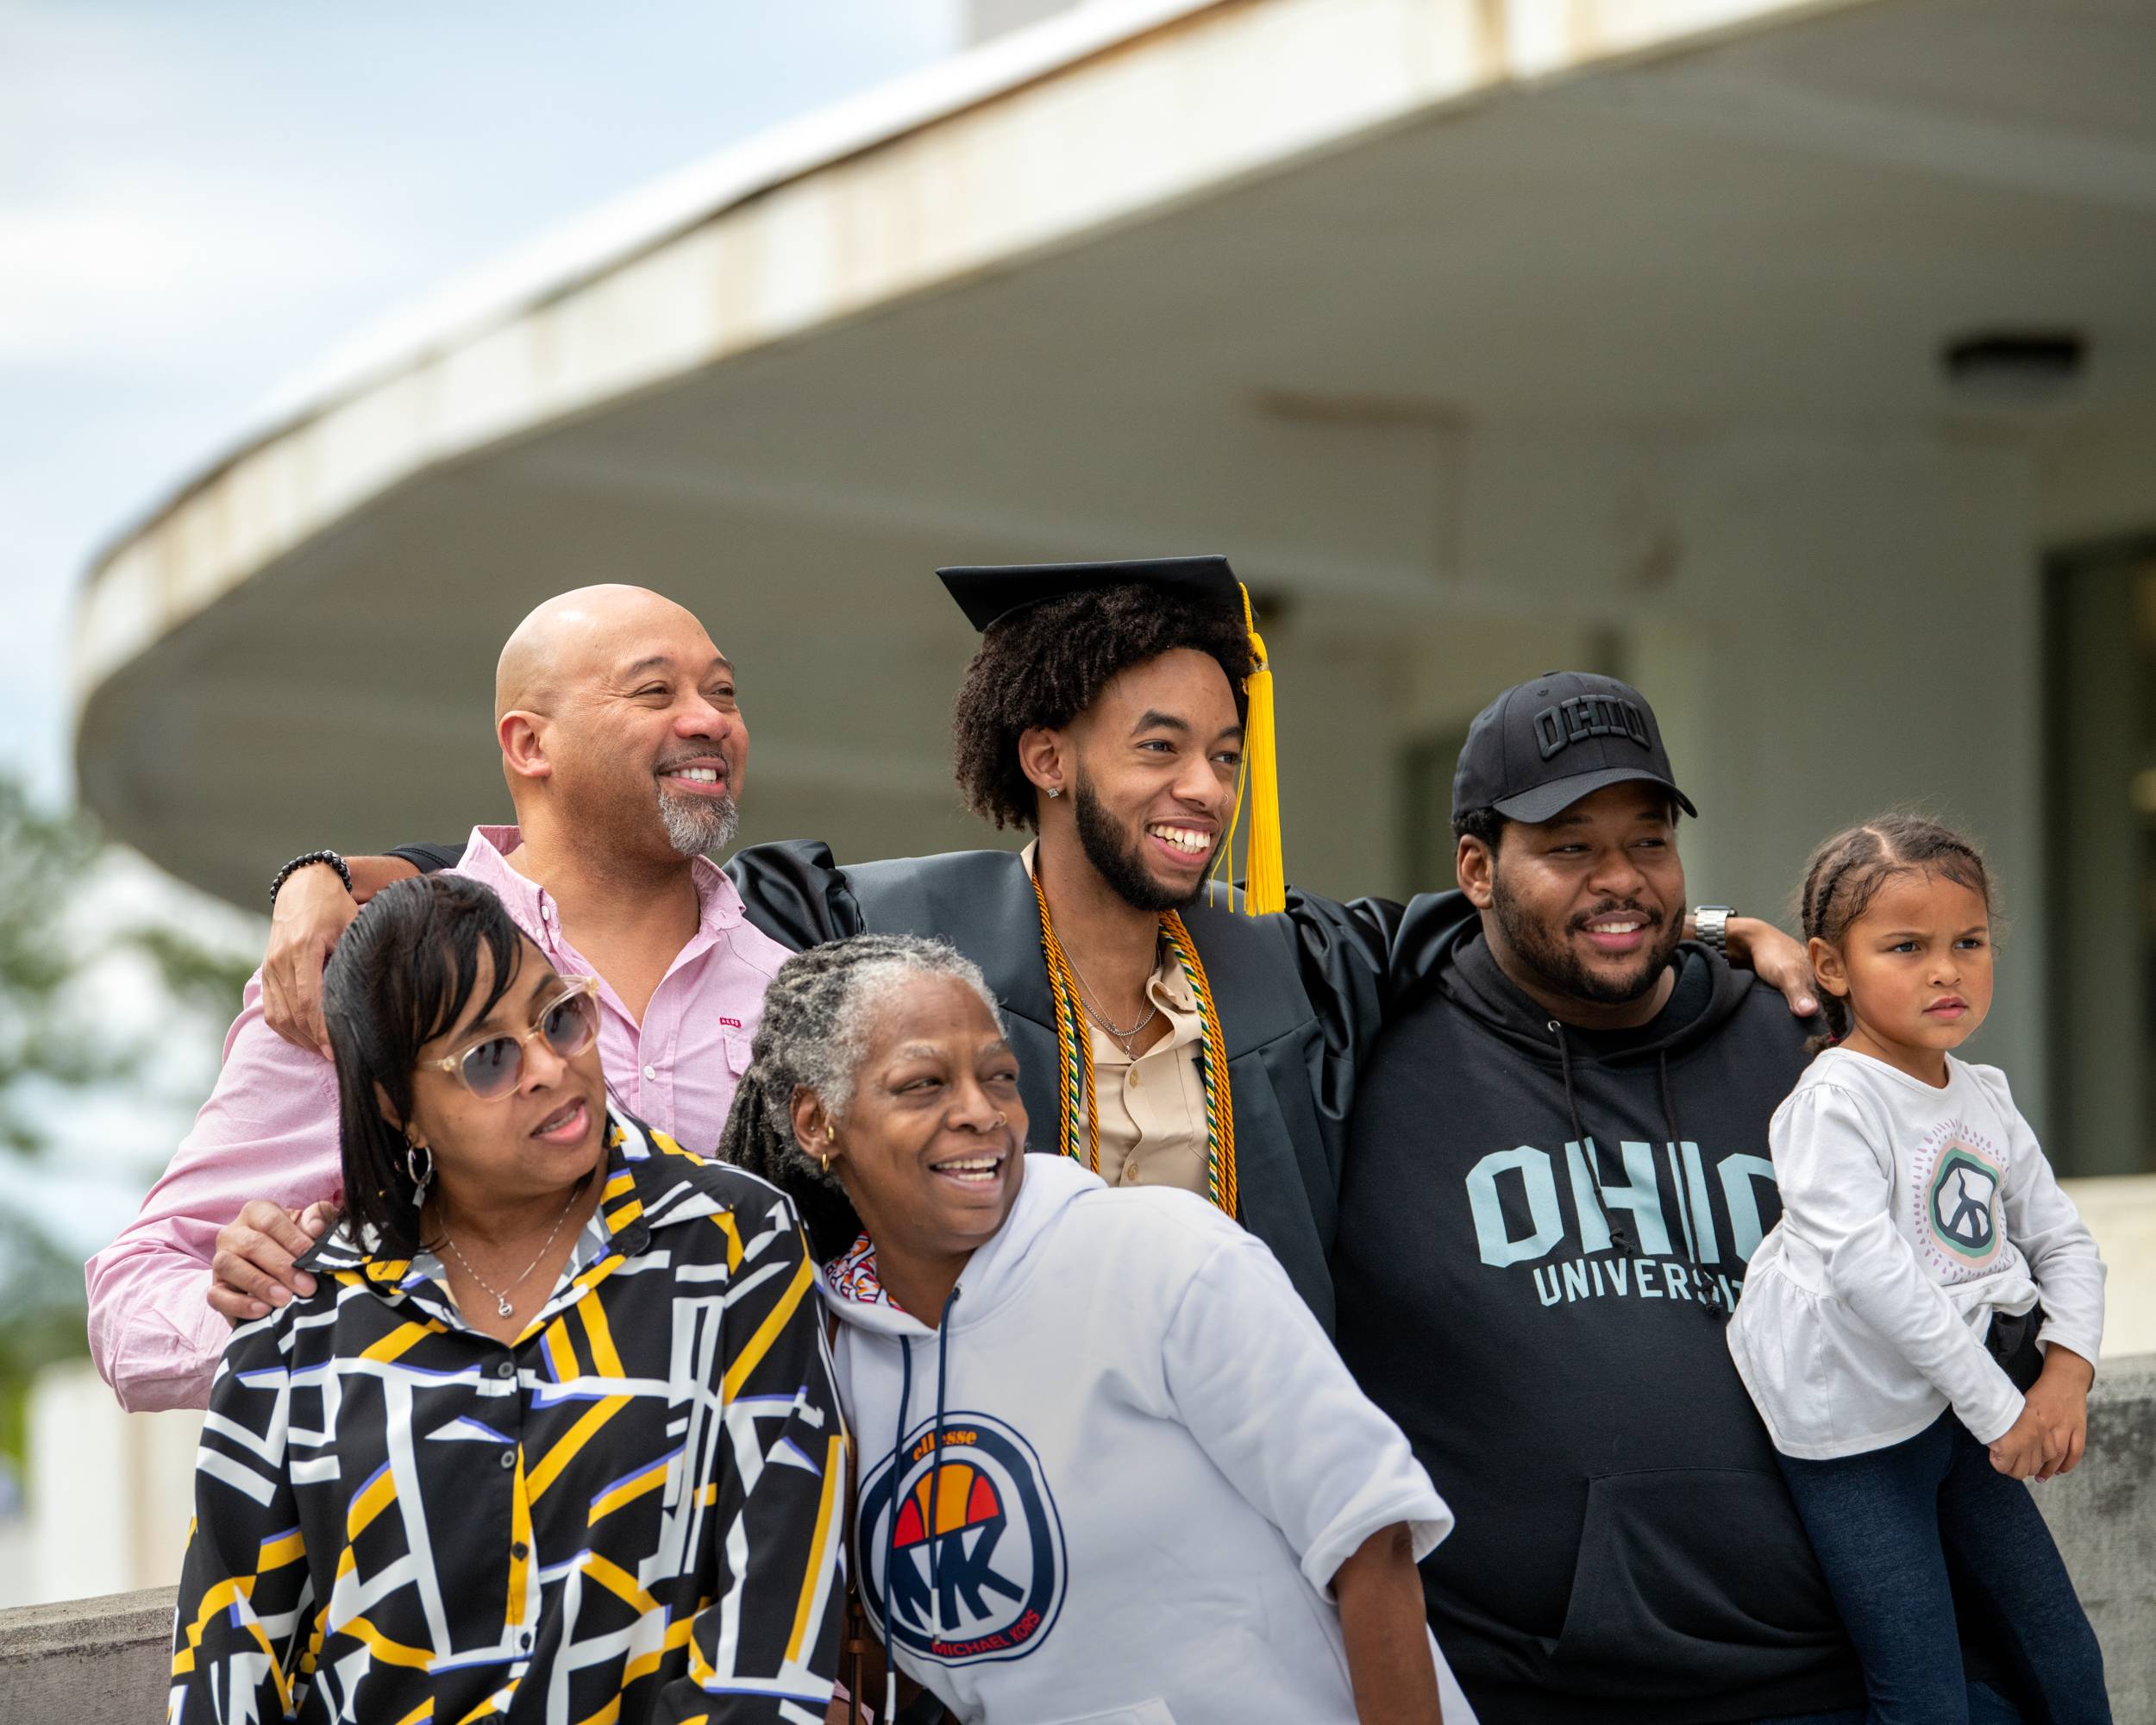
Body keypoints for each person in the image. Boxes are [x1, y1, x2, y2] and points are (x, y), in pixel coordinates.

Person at [266, 559, 1812, 1335]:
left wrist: (1733, 926)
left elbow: (1540, 904)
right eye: (1158, 747)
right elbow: (609, 852)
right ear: (1051, 755)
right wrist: (337, 873)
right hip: (986, 1494)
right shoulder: (891, 923)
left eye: (1223, 750)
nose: (1203, 789)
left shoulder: (1297, 963)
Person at [1329, 674, 2027, 1724]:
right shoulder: (1370, 1057)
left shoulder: (1804, 1042)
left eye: (1648, 842)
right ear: (1475, 867)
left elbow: (1972, 1263)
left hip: (1833, 1679)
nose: (1621, 879)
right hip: (1531, 1691)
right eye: (1568, 846)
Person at [718, 932, 1475, 1725]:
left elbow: (1370, 1541)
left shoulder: (1161, 1256)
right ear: (817, 1122)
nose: (981, 1113)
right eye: (923, 1084)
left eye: (1000, 1078)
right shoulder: (830, 1353)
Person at [86, 585, 793, 1410]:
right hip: (456, 1522)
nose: (708, 720)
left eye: (723, 692)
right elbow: (134, 1296)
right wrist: (297, 1316)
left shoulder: (799, 988)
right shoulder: (367, 973)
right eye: (654, 691)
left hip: (742, 1521)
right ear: (530, 743)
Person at [168, 873, 844, 1724]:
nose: (549, 1066)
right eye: (488, 1057)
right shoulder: (304, 1314)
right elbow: (229, 1651)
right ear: (397, 1107)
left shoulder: (731, 1239)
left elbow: (775, 1612)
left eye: (558, 1015)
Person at [1727, 817, 2109, 1722]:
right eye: (1906, 946)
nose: (1946, 969)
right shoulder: (1831, 1104)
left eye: (1967, 942)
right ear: (1830, 965)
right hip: (1856, 1434)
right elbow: (1875, 1277)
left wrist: (2066, 1377)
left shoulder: (1984, 1094)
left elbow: (2063, 1242)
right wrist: (2002, 1411)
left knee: (2065, 1658)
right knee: (1922, 1687)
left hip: (1967, 1411)